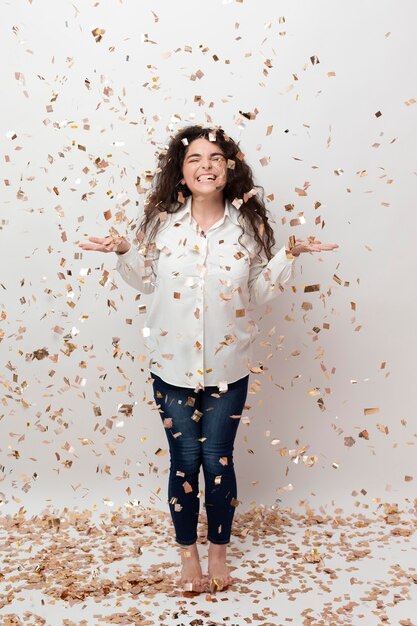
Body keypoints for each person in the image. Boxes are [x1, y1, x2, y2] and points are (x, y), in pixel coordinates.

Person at [78, 125, 339, 594]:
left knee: (217, 461)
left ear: (229, 167)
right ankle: (188, 555)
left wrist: (289, 254)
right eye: (195, 157)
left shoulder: (249, 228)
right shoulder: (159, 222)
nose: (206, 165)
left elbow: (257, 293)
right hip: (171, 368)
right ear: (181, 170)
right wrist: (121, 251)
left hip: (227, 368)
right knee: (185, 459)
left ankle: (219, 551)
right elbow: (144, 282)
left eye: (216, 157)